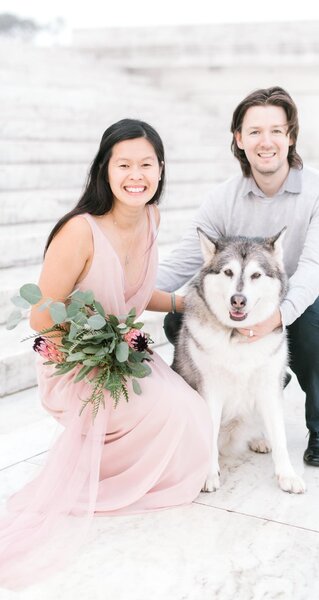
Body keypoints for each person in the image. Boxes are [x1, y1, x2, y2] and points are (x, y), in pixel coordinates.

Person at [0, 119, 211, 588]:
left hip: (121, 350)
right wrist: (99, 345)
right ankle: (106, 479)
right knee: (170, 413)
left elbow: (133, 291)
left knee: (192, 412)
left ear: (160, 170)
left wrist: (183, 301)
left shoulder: (151, 219)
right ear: (105, 170)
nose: (136, 175)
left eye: (146, 164)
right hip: (73, 359)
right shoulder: (80, 231)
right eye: (124, 165)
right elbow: (41, 319)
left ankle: (139, 465)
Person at [157, 86, 319, 468]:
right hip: (250, 307)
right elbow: (182, 262)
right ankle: (236, 401)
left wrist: (272, 320)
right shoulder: (223, 198)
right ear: (239, 139)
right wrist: (122, 292)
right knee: (182, 317)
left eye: (276, 131)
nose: (265, 142)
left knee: (308, 321)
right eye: (254, 132)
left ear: (290, 137)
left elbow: (314, 269)